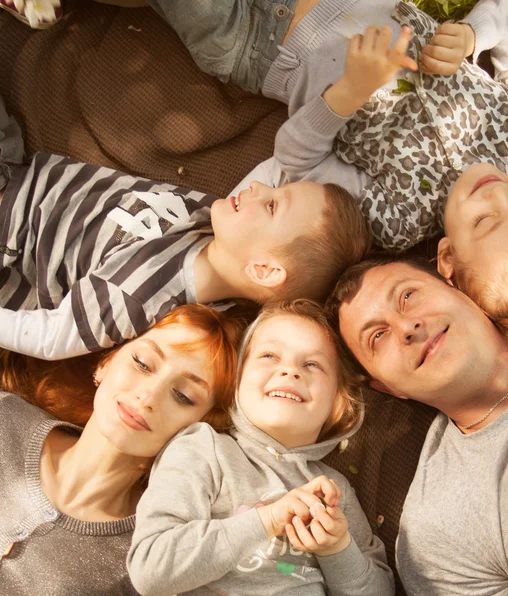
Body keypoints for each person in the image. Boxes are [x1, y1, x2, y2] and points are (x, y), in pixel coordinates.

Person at [149, 0, 508, 338]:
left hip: (257, 41)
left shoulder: (398, 218)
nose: (496, 192)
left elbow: (297, 160)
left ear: (447, 255)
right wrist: (474, 34)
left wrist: (350, 91)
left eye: (483, 220)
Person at [326, 253, 508, 595]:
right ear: (387, 388)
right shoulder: (440, 531)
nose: (407, 327)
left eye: (408, 296)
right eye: (377, 337)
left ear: (456, 286)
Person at [127, 299, 394, 595]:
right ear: (238, 381)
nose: (290, 371)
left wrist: (338, 549)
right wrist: (267, 519)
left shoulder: (334, 490)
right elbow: (151, 569)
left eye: (312, 364)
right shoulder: (202, 449)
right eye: (269, 355)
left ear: (338, 403)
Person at [0, 146, 370, 359]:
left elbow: (49, 339)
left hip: (10, 231)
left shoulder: (143, 294)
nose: (259, 186)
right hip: (19, 166)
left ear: (262, 269)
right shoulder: (219, 228)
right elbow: (287, 159)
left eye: (272, 205)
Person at [0, 302, 242, 596]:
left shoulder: (150, 561)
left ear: (202, 428)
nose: (148, 396)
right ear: (107, 362)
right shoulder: (5, 416)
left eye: (183, 396)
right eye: (143, 363)